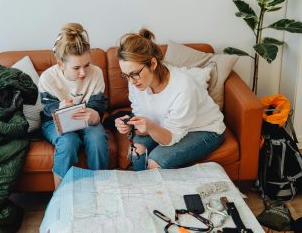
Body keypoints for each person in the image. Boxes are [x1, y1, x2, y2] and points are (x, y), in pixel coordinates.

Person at [115, 29, 226, 171]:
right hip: (165, 126)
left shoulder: (183, 87)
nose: (131, 81)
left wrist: (149, 126)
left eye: (135, 74)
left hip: (204, 129)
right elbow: (143, 118)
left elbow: (170, 138)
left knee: (155, 162)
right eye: (126, 75)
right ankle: (144, 189)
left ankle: (156, 191)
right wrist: (131, 124)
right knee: (135, 151)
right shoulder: (135, 82)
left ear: (153, 64)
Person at [38, 23, 109, 189]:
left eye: (86, 65)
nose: (83, 73)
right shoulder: (48, 78)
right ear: (61, 65)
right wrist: (60, 108)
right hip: (54, 120)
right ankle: (60, 196)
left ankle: (102, 190)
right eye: (76, 68)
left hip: (86, 118)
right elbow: (49, 110)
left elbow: (98, 105)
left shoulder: (96, 73)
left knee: (97, 138)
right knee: (68, 142)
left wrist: (95, 115)